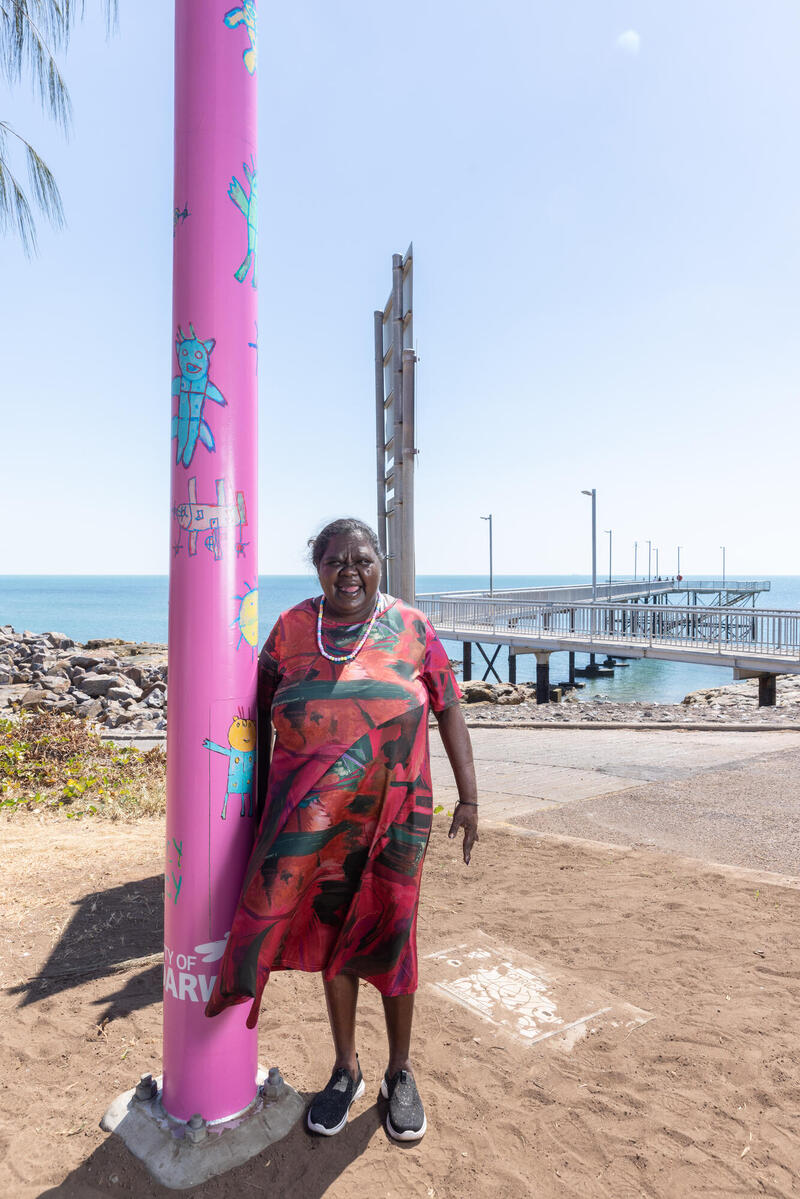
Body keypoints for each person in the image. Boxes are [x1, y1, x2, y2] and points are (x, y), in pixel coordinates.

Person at [205, 518, 479, 1142]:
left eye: (362, 560)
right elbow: (253, 721)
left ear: (380, 564)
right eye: (335, 561)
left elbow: (449, 708)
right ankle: (345, 1069)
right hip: (311, 822)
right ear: (318, 568)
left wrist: (469, 798)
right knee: (334, 937)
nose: (349, 571)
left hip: (395, 819)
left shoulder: (414, 628)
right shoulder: (290, 629)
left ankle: (399, 1072)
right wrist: (255, 811)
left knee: (392, 935)